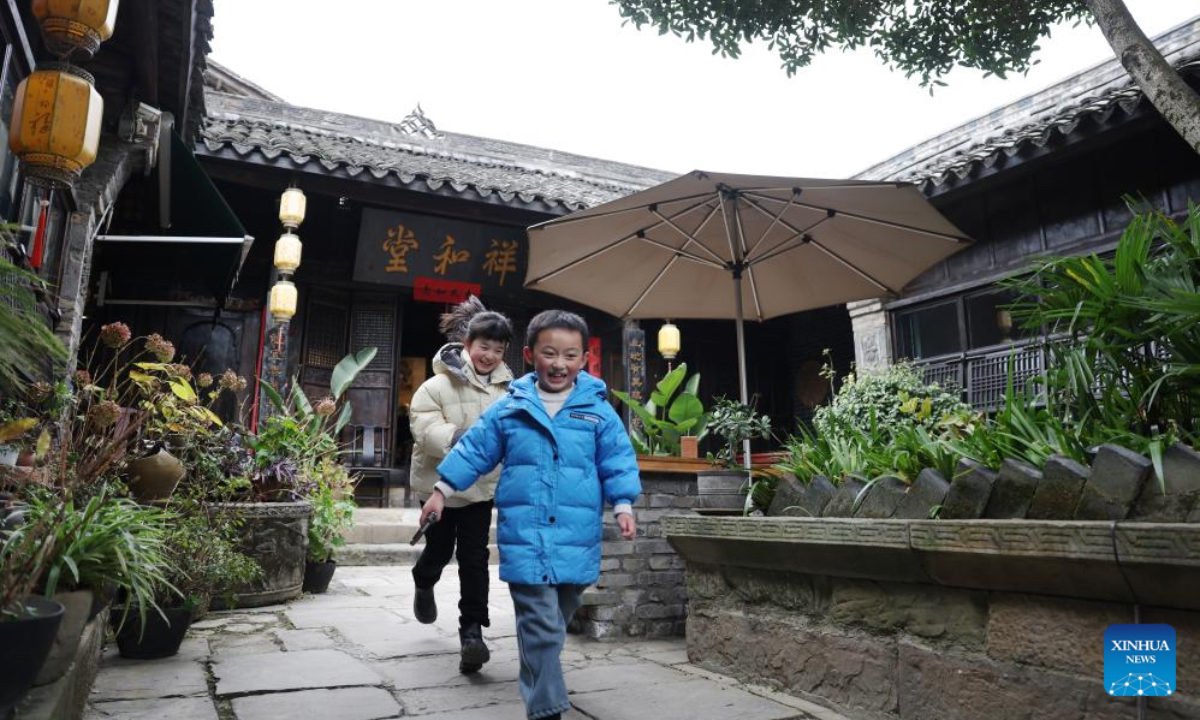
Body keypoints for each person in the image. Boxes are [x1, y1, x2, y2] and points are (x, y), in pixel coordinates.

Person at [421, 309, 640, 720]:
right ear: (529, 354)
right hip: (525, 535)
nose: (560, 364)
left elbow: (618, 460)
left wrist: (623, 503)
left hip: (576, 539)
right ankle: (548, 710)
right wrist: (441, 491)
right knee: (540, 625)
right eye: (550, 353)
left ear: (583, 360)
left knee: (551, 625)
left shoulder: (596, 409)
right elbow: (475, 450)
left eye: (571, 355)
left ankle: (541, 684)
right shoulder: (511, 407)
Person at [408, 296, 514, 673]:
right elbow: (423, 427)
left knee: (474, 559)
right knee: (438, 550)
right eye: (484, 346)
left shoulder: (509, 393)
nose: (489, 355)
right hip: (437, 487)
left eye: (497, 350)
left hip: (480, 490)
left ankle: (472, 632)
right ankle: (424, 579)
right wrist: (461, 438)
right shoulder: (436, 385)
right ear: (468, 345)